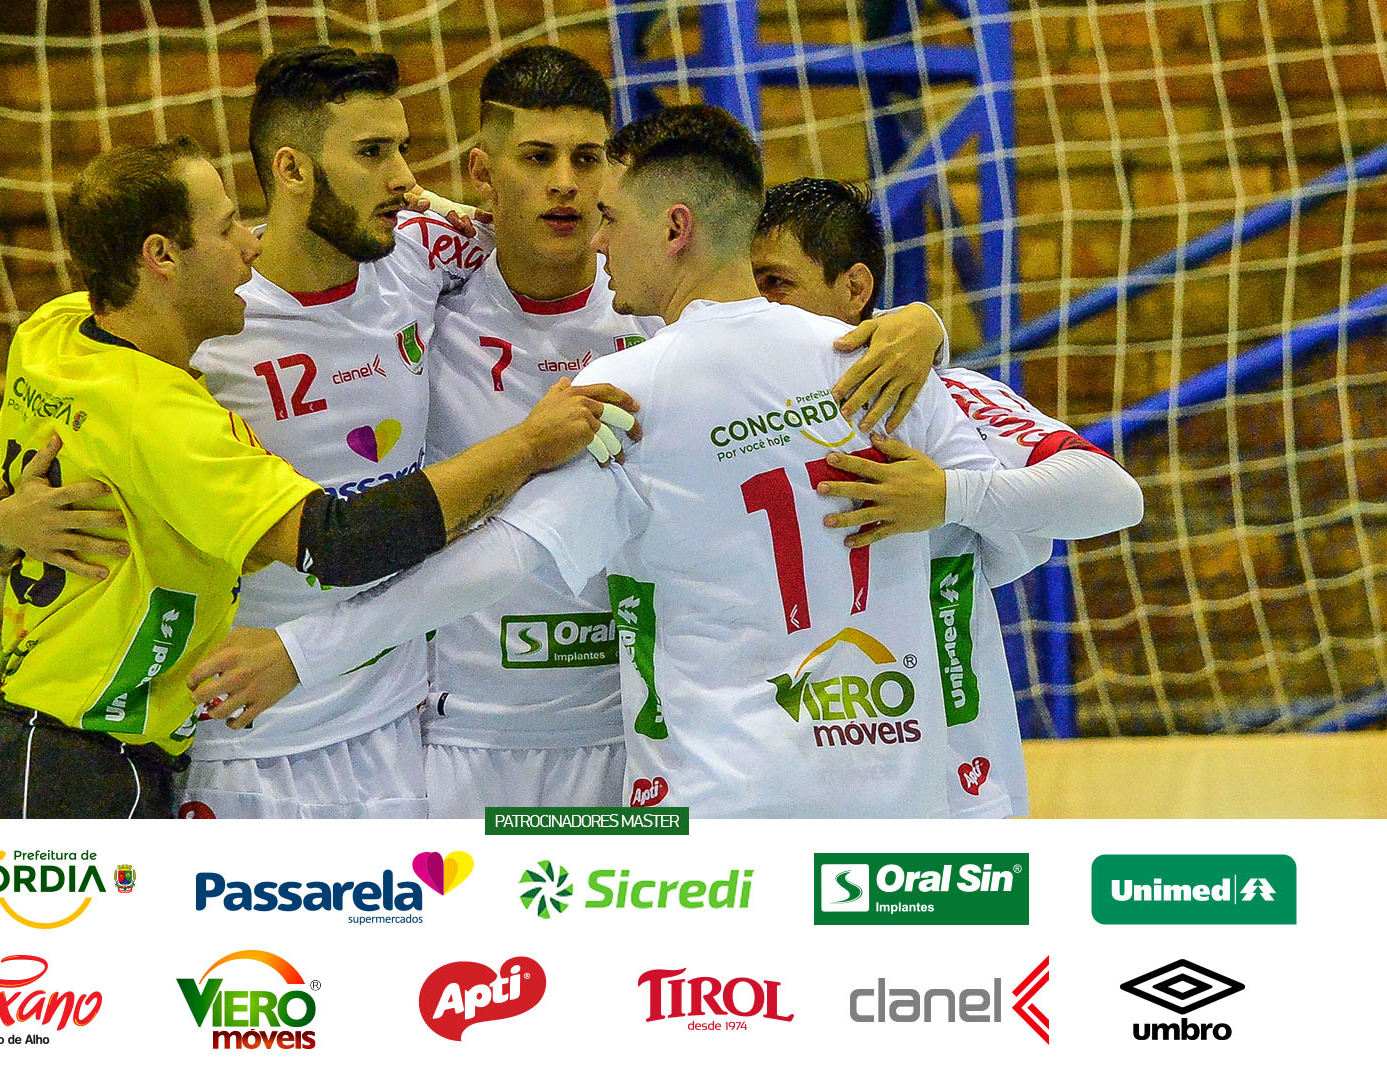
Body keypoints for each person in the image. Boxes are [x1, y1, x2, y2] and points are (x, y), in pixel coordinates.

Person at [194, 105, 1047, 817]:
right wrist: (936, 365)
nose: (598, 240)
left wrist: (304, 650)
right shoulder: (875, 358)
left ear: (674, 228)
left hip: (715, 803)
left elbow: (498, 557)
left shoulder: (636, 382)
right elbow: (1074, 510)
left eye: (611, 216)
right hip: (891, 794)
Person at [0, 48, 631, 820]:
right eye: (372, 152)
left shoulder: (421, 254)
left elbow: (535, 227)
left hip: (392, 730)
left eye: (402, 149)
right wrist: (3, 521)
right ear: (291, 169)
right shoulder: (198, 318)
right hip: (236, 730)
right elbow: (73, 457)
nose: (403, 178)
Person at [0, 135, 445, 817]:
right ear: (160, 255)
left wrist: (1, 520)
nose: (250, 244)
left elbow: (57, 468)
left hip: (67, 749)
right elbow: (336, 541)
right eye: (226, 228)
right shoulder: (162, 417)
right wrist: (524, 448)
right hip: (74, 769)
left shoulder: (53, 331)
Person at [753, 177, 1144, 815]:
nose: (758, 306)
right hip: (785, 774)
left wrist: (948, 497)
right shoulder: (718, 415)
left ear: (854, 289)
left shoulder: (944, 398)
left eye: (776, 283)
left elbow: (1114, 494)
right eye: (748, 287)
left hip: (950, 778)